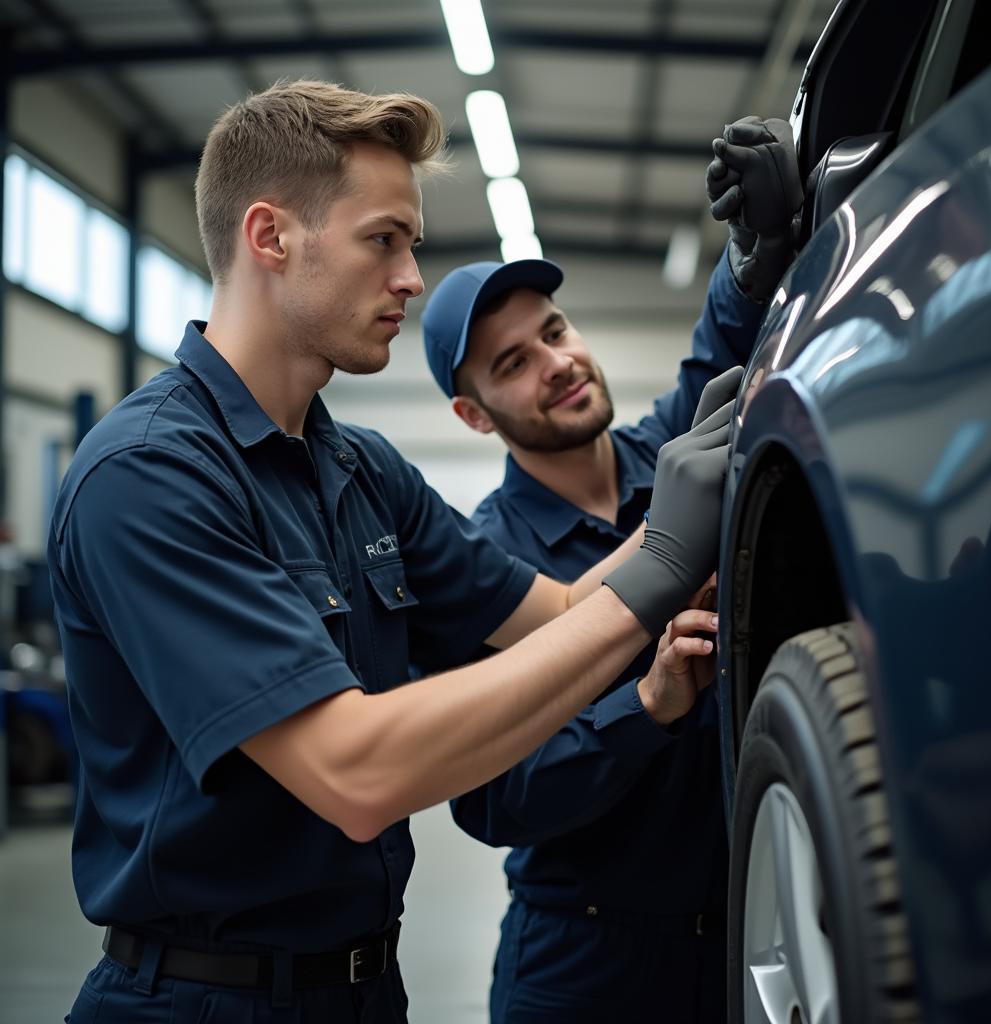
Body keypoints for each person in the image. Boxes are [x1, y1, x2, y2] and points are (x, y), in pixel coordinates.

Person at [47, 80, 739, 1024]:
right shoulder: (149, 476)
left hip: (366, 989)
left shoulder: (360, 467)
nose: (412, 278)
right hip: (200, 1000)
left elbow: (564, 615)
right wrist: (660, 569)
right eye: (385, 240)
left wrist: (675, 524)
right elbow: (356, 775)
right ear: (270, 236)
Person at [420, 116, 802, 1023]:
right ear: (477, 417)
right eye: (514, 363)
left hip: (743, 939)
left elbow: (720, 348)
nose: (556, 364)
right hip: (585, 967)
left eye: (554, 331)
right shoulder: (482, 567)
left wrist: (750, 253)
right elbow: (488, 796)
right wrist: (644, 708)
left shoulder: (675, 455)